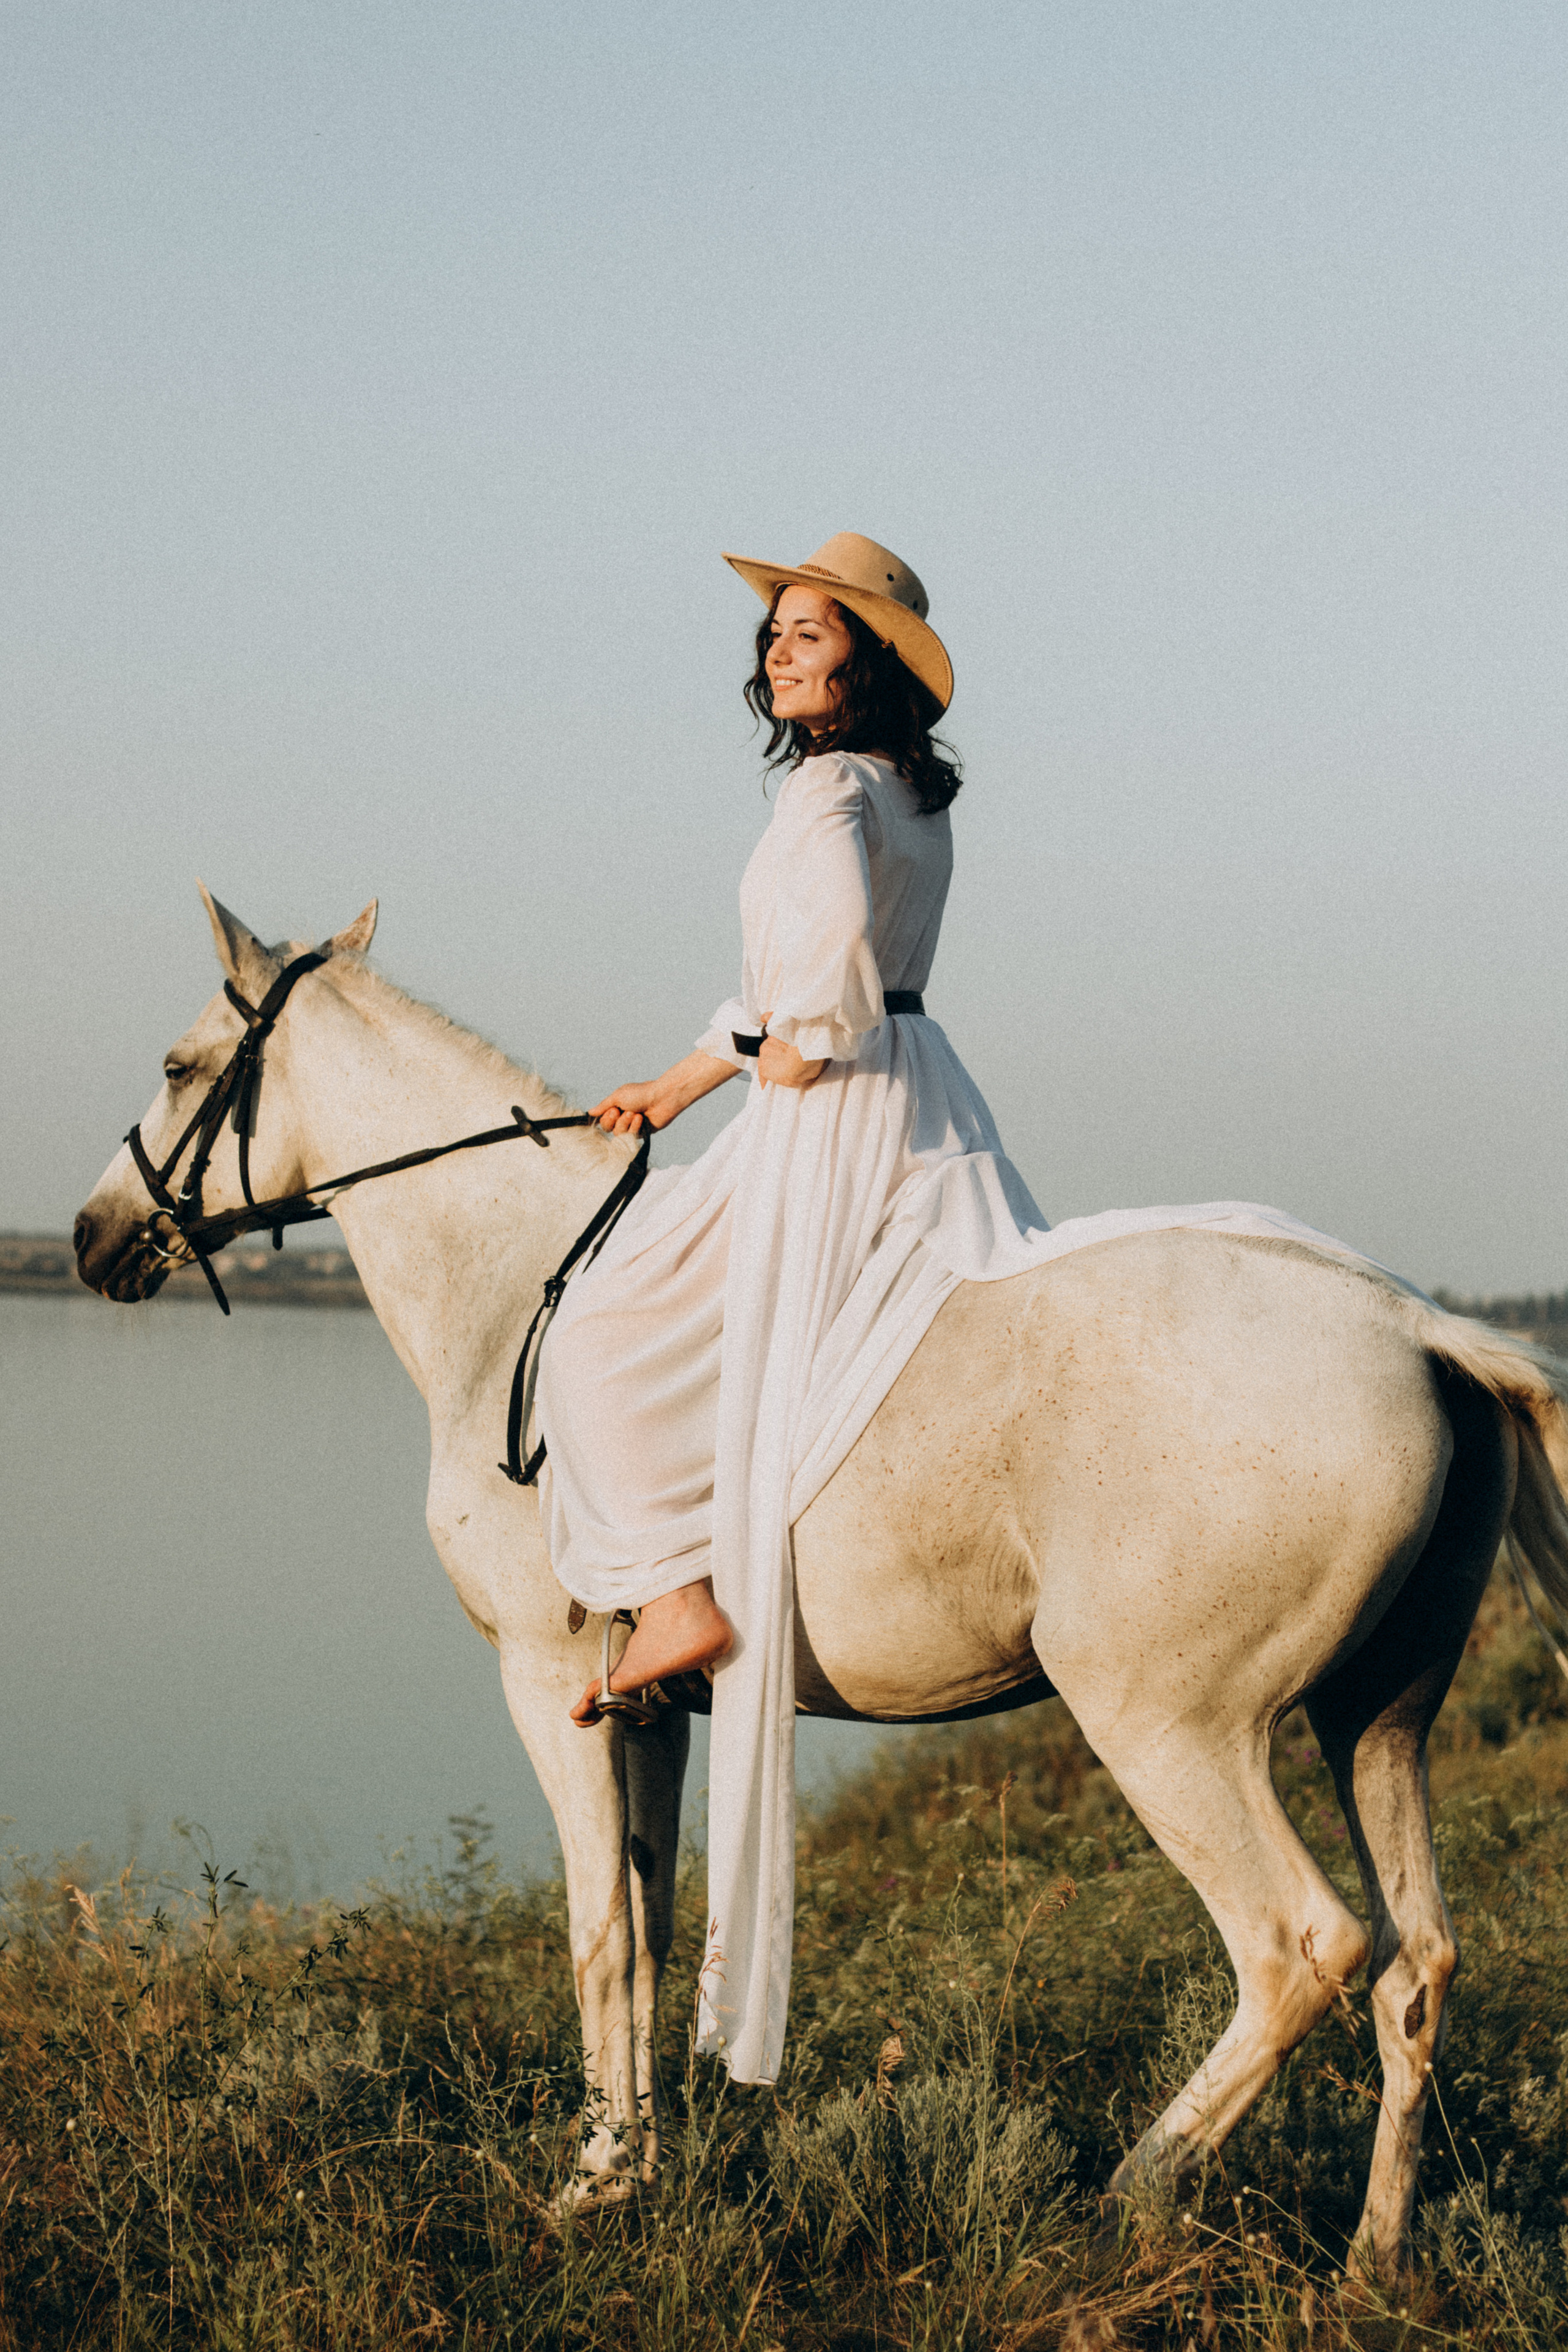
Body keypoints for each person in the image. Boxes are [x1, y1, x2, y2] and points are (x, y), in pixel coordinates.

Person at [535, 531, 1053, 2081]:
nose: (778, 646)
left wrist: (792, 1064)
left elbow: (814, 977)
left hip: (832, 1100)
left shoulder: (824, 790)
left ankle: (672, 1593)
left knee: (603, 1326)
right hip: (922, 1086)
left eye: (810, 631)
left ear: (864, 661)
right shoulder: (911, 792)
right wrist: (679, 1083)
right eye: (774, 627)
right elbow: (811, 977)